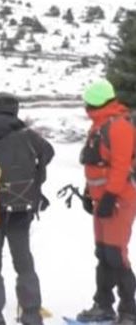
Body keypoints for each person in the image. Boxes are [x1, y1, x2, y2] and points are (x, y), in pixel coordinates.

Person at [0, 92, 54, 325]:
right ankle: (32, 315)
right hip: (21, 211)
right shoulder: (28, 135)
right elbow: (49, 153)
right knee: (24, 263)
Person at [76, 79, 136, 325]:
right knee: (102, 252)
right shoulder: (100, 124)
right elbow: (96, 164)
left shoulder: (119, 126)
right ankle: (103, 305)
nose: (85, 106)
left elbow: (121, 166)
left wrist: (110, 196)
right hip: (103, 200)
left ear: (95, 102)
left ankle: (129, 310)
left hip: (119, 200)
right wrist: (90, 193)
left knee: (115, 254)